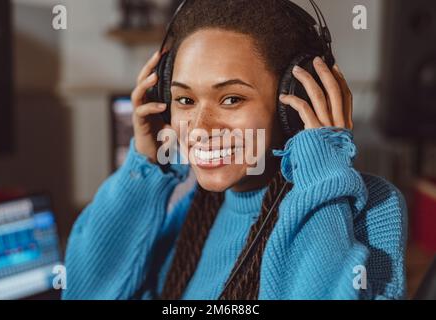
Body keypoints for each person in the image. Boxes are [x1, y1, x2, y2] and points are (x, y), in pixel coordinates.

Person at [62, 0, 407, 300]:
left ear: (295, 105)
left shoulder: (372, 209)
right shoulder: (194, 211)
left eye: (231, 99)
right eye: (184, 99)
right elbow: (85, 292)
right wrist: (146, 165)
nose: (199, 128)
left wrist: (321, 161)